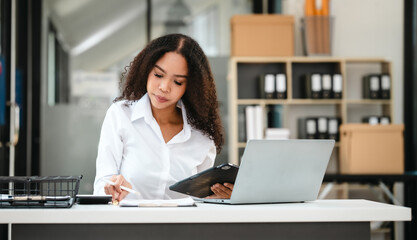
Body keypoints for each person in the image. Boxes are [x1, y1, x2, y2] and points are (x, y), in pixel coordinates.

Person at [93, 33, 233, 202]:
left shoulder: (201, 137)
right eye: (158, 75)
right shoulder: (120, 115)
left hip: (182, 228)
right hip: (128, 225)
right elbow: (102, 187)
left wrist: (221, 198)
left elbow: (199, 203)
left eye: (178, 82)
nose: (164, 87)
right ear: (146, 70)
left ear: (190, 87)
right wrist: (113, 190)